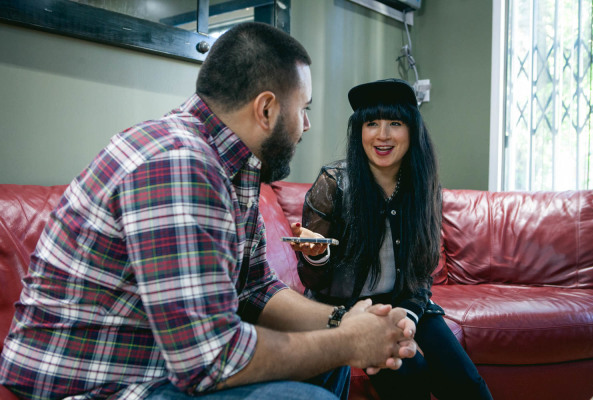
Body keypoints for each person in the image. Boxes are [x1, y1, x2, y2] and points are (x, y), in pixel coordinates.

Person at [0, 25, 418, 400]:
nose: (305, 125)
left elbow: (254, 289)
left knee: (328, 365)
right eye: (302, 108)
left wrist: (343, 319)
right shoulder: (178, 162)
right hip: (100, 385)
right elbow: (210, 360)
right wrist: (349, 341)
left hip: (165, 367)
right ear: (267, 109)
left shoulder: (237, 168)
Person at [294, 79, 493, 399]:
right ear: (359, 131)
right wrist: (315, 254)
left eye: (394, 124)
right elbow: (313, 280)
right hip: (347, 309)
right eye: (371, 123)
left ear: (411, 131)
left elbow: (421, 274)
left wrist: (411, 319)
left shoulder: (423, 188)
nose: (382, 134)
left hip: (405, 301)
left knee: (469, 386)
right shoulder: (333, 183)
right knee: (409, 379)